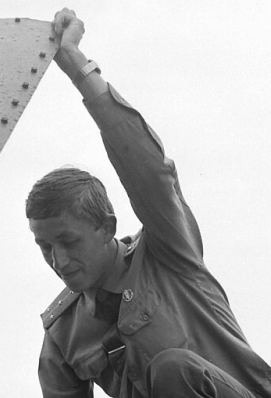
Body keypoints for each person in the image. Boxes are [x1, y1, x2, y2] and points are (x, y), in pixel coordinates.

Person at [25, 8, 271, 398]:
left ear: (106, 226)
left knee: (174, 369)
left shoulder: (168, 252)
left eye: (69, 242)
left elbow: (149, 170)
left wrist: (75, 65)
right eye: (45, 246)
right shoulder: (63, 334)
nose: (59, 261)